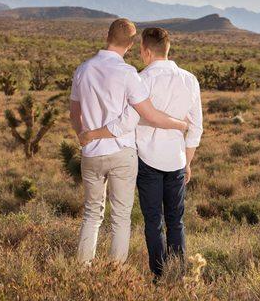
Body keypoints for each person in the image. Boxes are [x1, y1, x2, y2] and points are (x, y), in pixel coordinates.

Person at [80, 27, 203, 279]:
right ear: (167, 50)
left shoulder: (141, 78)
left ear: (145, 51)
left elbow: (130, 119)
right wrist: (187, 161)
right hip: (178, 160)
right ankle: (177, 275)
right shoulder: (190, 80)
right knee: (176, 221)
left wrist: (92, 134)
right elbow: (196, 126)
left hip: (147, 160)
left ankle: (159, 275)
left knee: (153, 221)